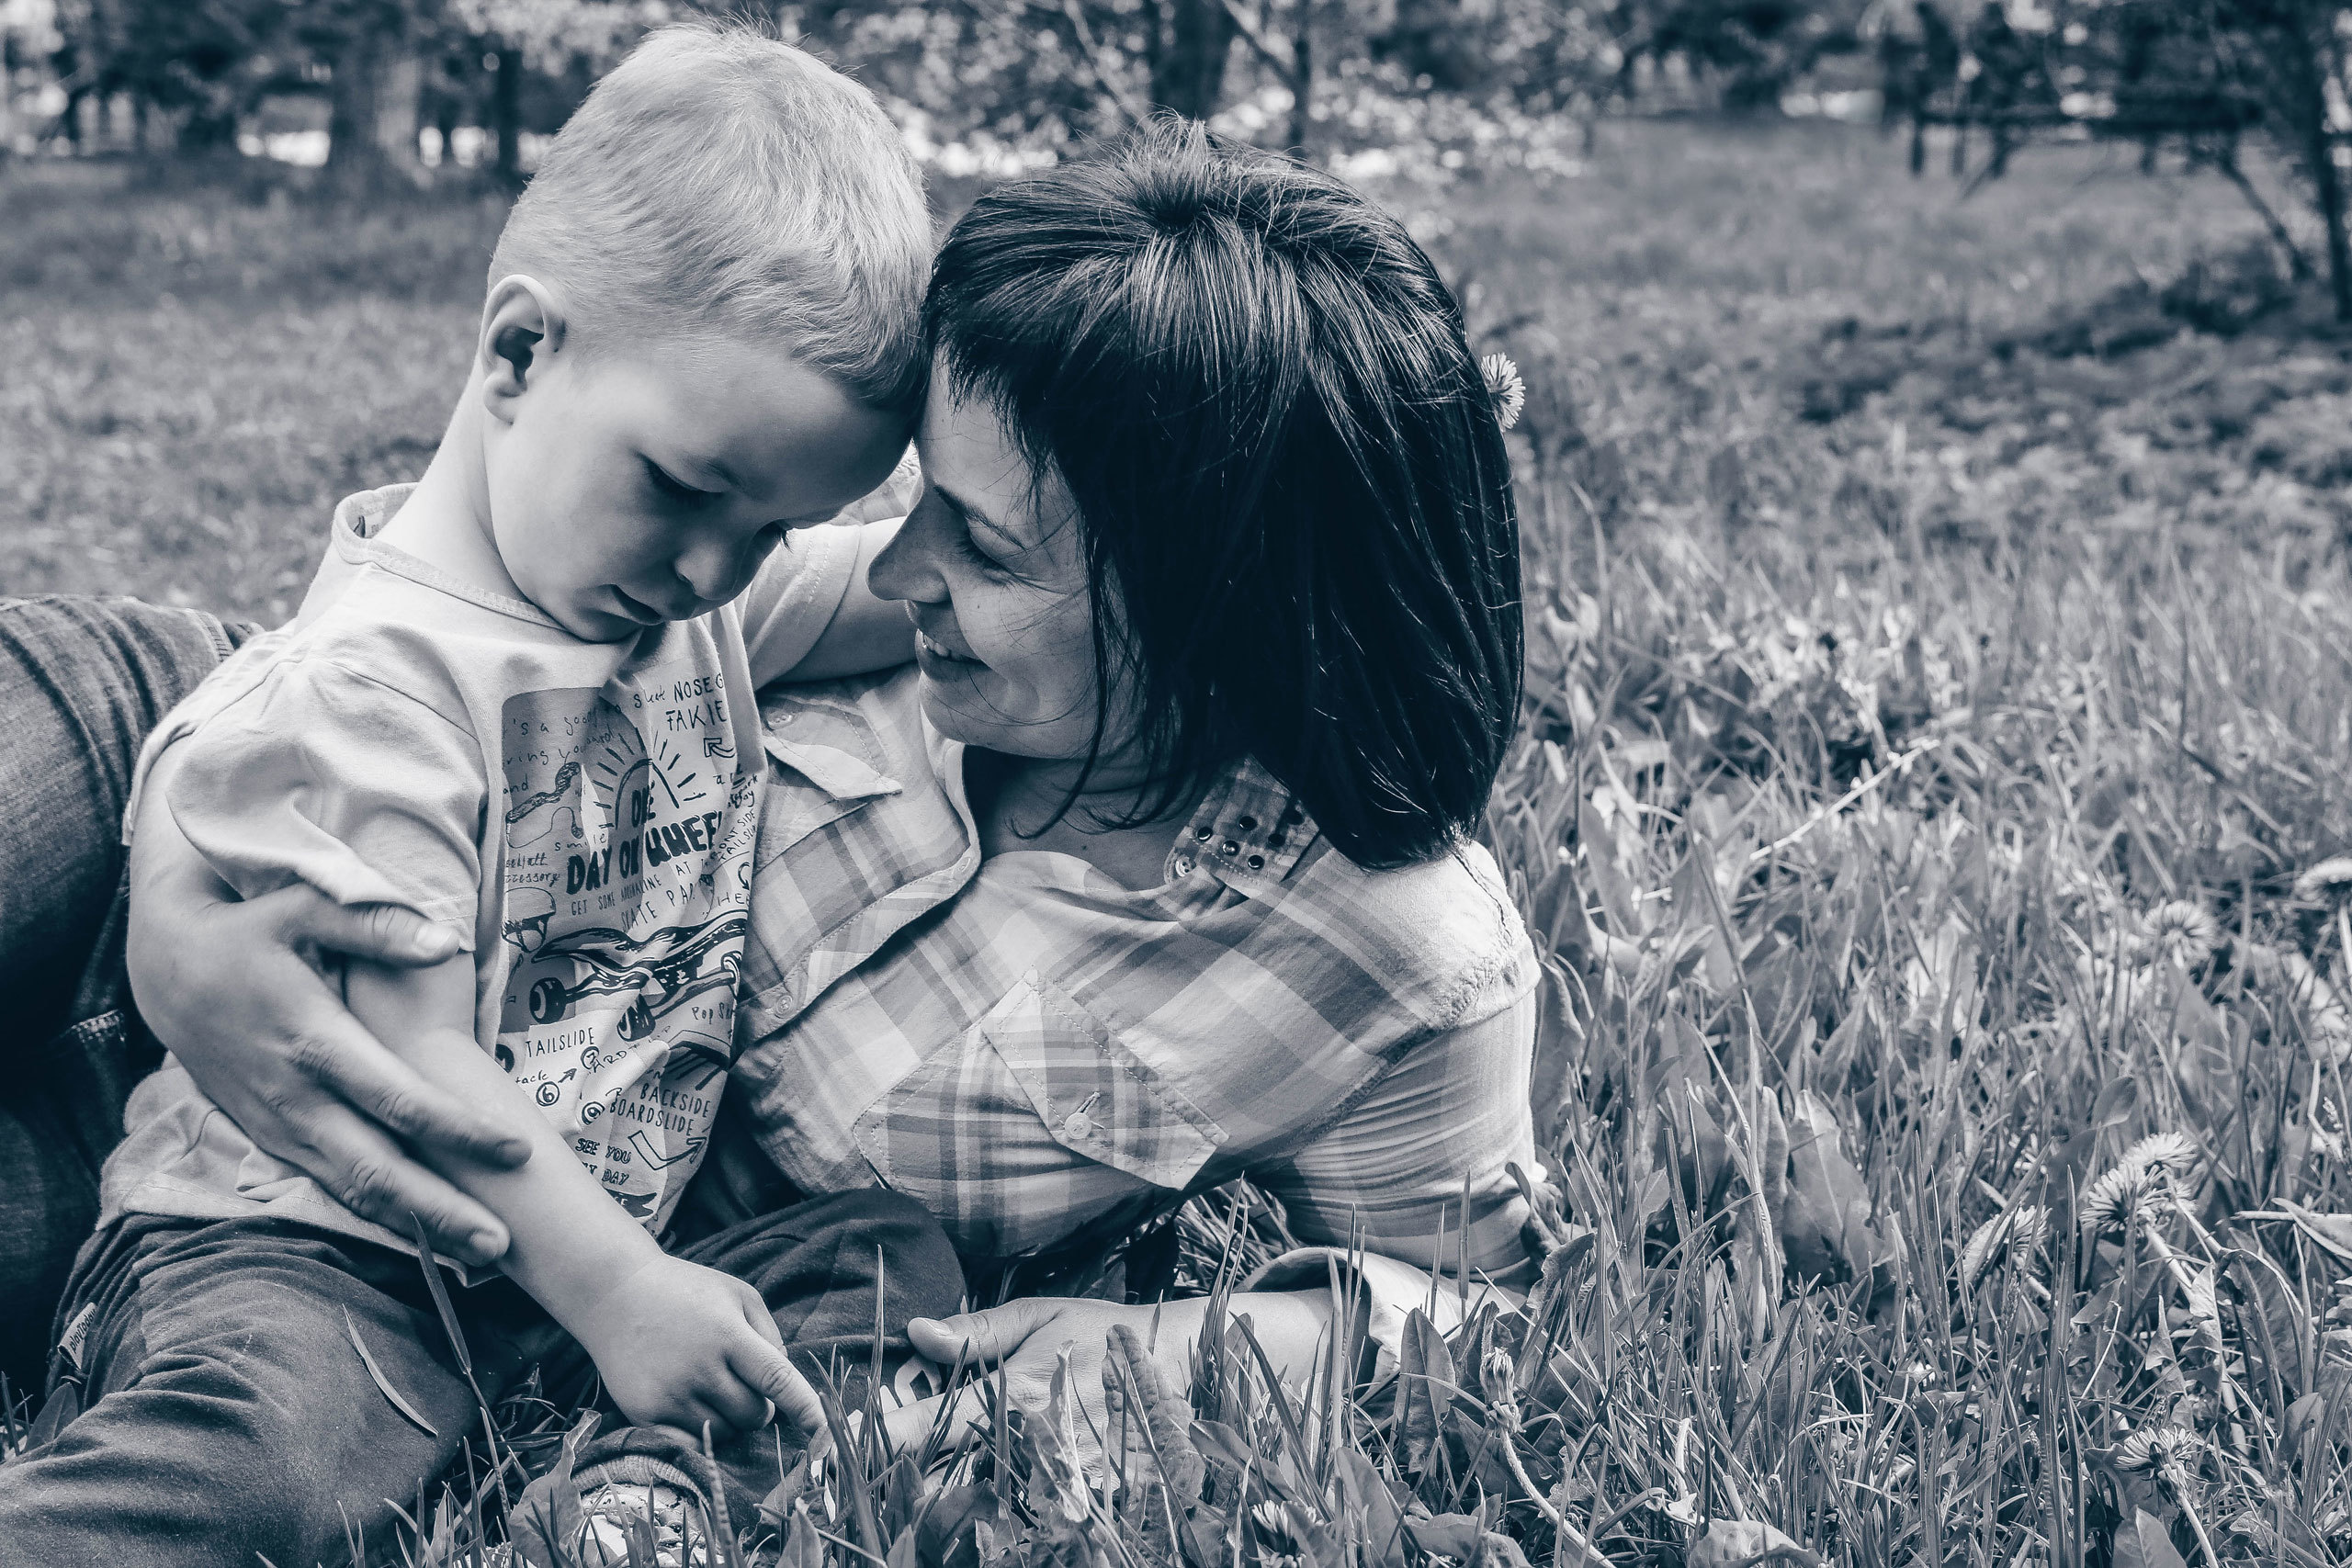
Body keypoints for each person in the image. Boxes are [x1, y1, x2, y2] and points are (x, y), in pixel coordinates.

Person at [0, 120, 1541, 1560]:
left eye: (985, 545)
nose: (903, 566)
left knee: (284, 1435)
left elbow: (1473, 1308)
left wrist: (1171, 1342)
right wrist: (191, 837)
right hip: (308, 827)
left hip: (444, 1222)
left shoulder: (1394, 957)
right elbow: (470, 611)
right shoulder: (745, 588)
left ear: (1224, 621)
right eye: (921, 500)